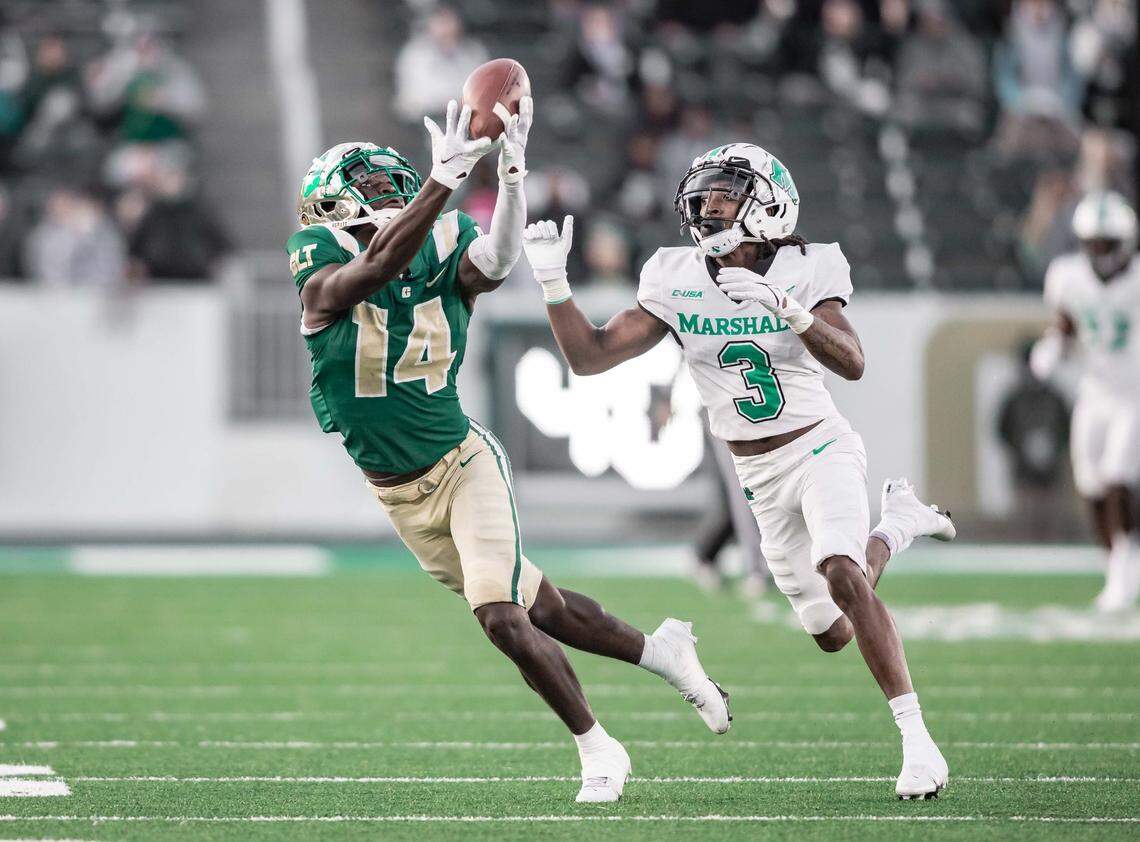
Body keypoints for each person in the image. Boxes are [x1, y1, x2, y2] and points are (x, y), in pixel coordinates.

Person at [284, 99, 729, 804]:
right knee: (543, 606)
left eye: (392, 184)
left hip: (462, 466)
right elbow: (365, 276)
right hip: (399, 495)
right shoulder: (320, 271)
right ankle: (662, 652)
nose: (391, 193)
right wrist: (443, 181)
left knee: (499, 614)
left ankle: (597, 746)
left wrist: (512, 175)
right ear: (330, 203)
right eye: (373, 187)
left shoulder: (435, 241)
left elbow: (492, 260)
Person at [522, 142, 957, 800]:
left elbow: (852, 361)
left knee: (840, 572)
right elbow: (590, 356)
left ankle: (918, 744)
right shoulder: (676, 274)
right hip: (755, 476)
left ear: (770, 206)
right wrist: (555, 285)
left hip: (818, 448)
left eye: (724, 196)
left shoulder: (809, 267)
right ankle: (895, 526)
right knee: (834, 631)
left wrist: (791, 311)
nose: (706, 209)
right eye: (700, 198)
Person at [1030, 190, 1140, 611]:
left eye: (1107, 244)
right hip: (1094, 392)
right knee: (1092, 485)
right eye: (1093, 243)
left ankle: (1123, 575)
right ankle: (1116, 563)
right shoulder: (1067, 275)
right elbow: (1067, 322)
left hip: (1133, 392)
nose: (1099, 252)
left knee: (1118, 478)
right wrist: (1054, 347)